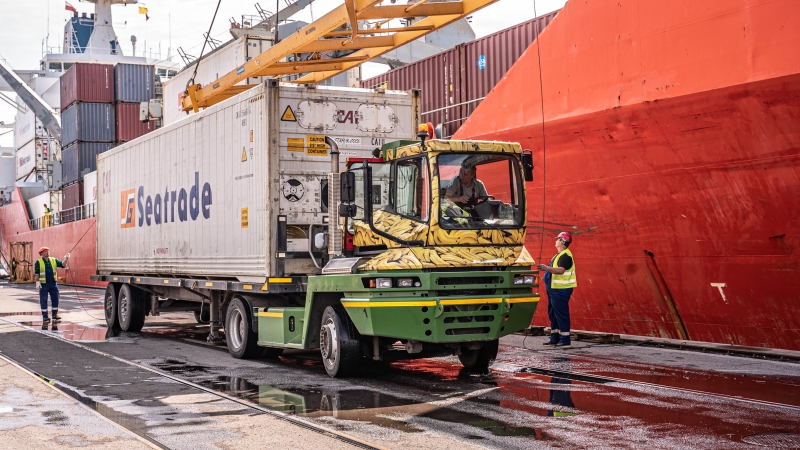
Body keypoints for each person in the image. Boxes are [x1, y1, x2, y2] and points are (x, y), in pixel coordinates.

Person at [538, 232, 577, 346]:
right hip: (554, 289)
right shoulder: (558, 255)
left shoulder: (565, 256)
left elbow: (560, 270)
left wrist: (546, 268)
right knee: (553, 313)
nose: (555, 241)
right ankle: (554, 337)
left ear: (561, 241)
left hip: (561, 290)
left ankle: (565, 340)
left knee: (561, 314)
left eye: (557, 239)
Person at [34, 247, 70, 323]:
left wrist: (66, 259)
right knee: (43, 300)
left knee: (55, 298)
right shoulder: (38, 262)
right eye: (45, 251)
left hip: (53, 283)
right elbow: (37, 274)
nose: (47, 252)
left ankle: (54, 314)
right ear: (41, 253)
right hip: (44, 284)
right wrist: (37, 283)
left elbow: (63, 265)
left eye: (48, 251)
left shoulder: (53, 260)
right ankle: (45, 316)